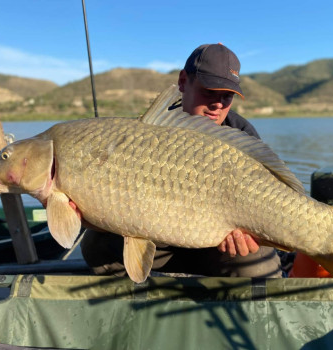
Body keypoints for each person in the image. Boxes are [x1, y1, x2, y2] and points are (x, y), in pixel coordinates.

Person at [80, 43, 283, 278]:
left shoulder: (242, 134)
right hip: (156, 241)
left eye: (227, 96)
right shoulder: (145, 130)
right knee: (95, 245)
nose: (218, 104)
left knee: (260, 263)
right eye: (209, 90)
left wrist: (249, 234)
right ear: (183, 81)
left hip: (215, 245)